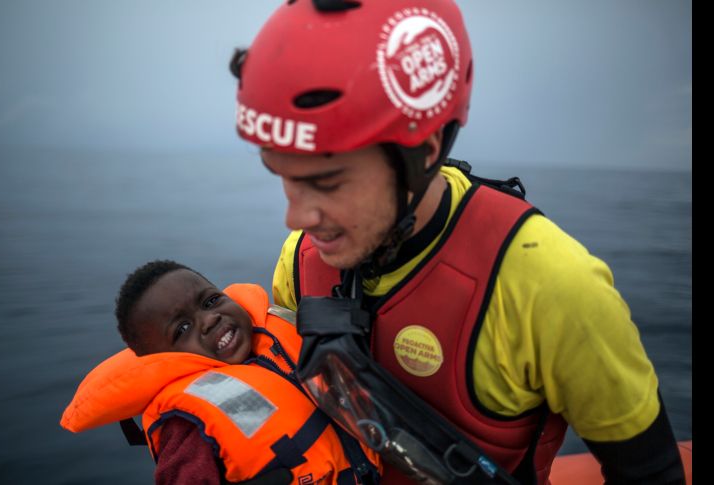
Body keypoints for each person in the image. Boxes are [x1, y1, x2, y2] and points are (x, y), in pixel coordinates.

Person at [230, 0, 685, 483]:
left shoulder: (552, 285)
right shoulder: (301, 260)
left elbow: (650, 473)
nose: (295, 218)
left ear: (422, 152)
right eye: (283, 176)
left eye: (328, 183)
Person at [60, 260, 382, 485]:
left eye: (211, 300)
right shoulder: (186, 427)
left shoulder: (277, 338)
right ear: (161, 360)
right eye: (182, 328)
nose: (209, 319)